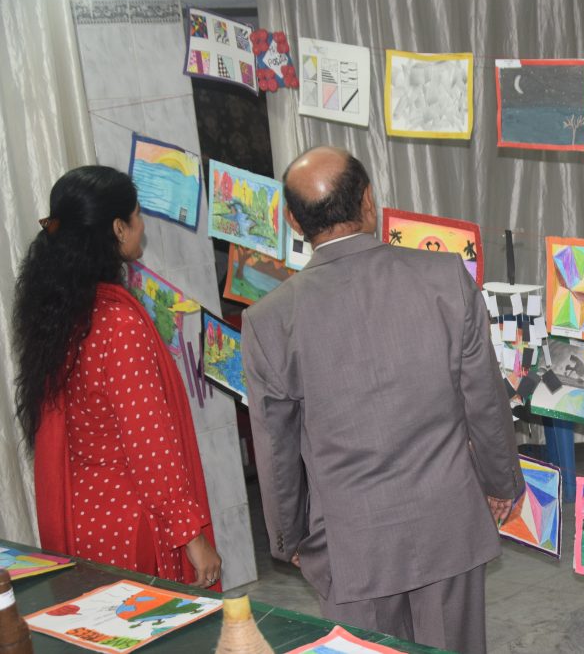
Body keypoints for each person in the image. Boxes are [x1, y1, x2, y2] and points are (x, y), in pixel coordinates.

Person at [242, 147, 522, 653]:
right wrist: (501, 482)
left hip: (349, 541)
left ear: (293, 222)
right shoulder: (444, 279)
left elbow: (275, 447)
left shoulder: (270, 320)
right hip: (446, 522)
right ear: (369, 201)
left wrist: (289, 537)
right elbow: (484, 400)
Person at [13, 166, 221, 588]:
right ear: (118, 228)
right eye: (137, 214)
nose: (142, 226)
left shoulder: (63, 314)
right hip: (131, 523)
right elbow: (149, 442)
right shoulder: (116, 323)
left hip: (82, 519)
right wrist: (190, 533)